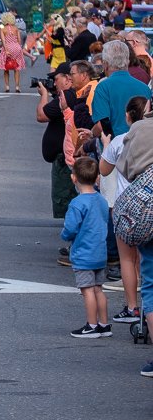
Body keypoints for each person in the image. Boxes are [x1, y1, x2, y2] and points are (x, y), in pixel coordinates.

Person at [99, 96, 150, 326]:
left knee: (127, 260)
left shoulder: (122, 140)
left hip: (130, 209)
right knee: (144, 261)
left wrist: (106, 145)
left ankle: (132, 306)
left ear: (129, 116)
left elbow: (104, 169)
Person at [61, 157, 110, 338]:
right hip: (100, 252)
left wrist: (64, 236)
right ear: (97, 177)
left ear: (74, 178)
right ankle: (104, 324)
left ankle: (91, 325)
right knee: (98, 288)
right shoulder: (102, 201)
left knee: (87, 290)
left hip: (84, 253)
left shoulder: (77, 204)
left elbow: (71, 228)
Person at [36, 63, 79, 219]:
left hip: (64, 158)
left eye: (56, 79)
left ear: (68, 79)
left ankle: (72, 233)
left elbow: (41, 115)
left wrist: (44, 96)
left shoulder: (67, 96)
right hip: (63, 155)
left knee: (65, 198)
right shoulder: (66, 95)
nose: (54, 83)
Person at [90, 40, 150, 139]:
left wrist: (91, 134)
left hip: (114, 145)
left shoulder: (103, 87)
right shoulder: (144, 88)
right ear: (128, 61)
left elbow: (102, 125)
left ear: (105, 64)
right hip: (140, 143)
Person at [0, 12, 26, 94]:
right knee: (17, 68)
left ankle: (7, 86)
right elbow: (19, 40)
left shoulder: (3, 29)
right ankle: (17, 86)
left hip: (8, 47)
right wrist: (18, 47)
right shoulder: (16, 28)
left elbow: (3, 41)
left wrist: (6, 50)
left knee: (6, 68)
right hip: (16, 47)